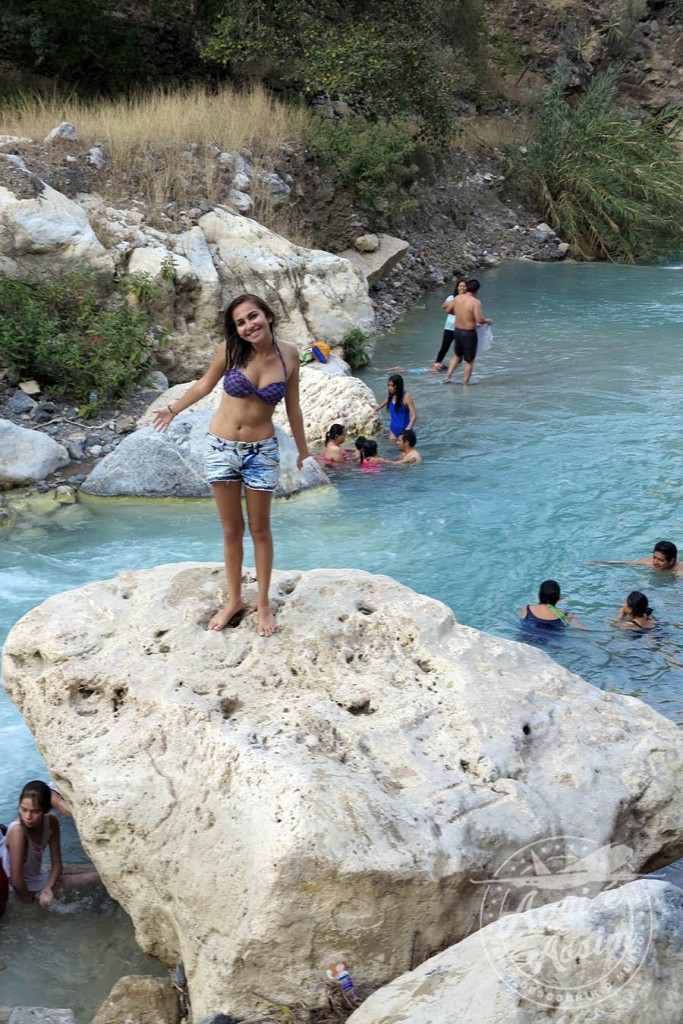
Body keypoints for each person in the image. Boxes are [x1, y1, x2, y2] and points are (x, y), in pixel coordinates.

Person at [152, 293, 310, 636]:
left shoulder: (289, 355)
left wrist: (303, 450)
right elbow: (204, 385)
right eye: (240, 322)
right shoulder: (231, 350)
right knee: (230, 530)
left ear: (268, 316)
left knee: (260, 530)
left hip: (261, 451)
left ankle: (263, 604)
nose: (248, 325)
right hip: (221, 447)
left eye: (253, 316)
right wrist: (173, 409)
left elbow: (293, 407)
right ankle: (234, 600)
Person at [1, 781, 99, 908]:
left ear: (45, 810)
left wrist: (48, 888)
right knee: (97, 877)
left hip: (37, 873)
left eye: (35, 811)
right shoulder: (18, 832)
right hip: (21, 887)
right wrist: (29, 903)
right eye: (23, 810)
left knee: (88, 868)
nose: (28, 816)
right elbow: (16, 881)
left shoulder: (52, 822)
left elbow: (57, 864)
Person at [443, 279, 493, 386]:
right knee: (469, 360)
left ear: (467, 288)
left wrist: (459, 312)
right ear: (477, 290)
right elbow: (479, 320)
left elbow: (448, 310)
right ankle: (465, 384)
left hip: (457, 331)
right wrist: (487, 321)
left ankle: (447, 377)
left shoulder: (457, 298)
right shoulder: (475, 302)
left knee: (457, 355)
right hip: (469, 333)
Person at [587, 540, 683, 575]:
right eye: (654, 557)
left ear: (672, 561)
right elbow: (625, 562)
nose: (655, 562)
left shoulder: (680, 572)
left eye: (661, 560)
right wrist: (599, 563)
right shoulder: (649, 562)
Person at [520, 580, 584, 629]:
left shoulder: (526, 609)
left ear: (539, 595)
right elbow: (584, 630)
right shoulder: (567, 616)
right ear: (558, 599)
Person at [433, 279, 467, 369]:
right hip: (449, 327)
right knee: (444, 347)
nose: (462, 288)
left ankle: (456, 366)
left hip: (461, 327)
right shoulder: (451, 297)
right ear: (457, 287)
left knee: (460, 349)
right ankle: (437, 363)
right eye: (460, 286)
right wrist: (456, 299)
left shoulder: (468, 299)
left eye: (464, 286)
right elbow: (443, 306)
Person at [374, 373, 417, 442]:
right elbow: (386, 401)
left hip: (404, 431)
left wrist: (408, 428)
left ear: (398, 386)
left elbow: (414, 415)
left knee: (403, 449)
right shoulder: (391, 396)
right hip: (393, 430)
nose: (389, 388)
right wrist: (377, 408)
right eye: (388, 385)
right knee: (391, 447)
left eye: (392, 385)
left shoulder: (406, 397)